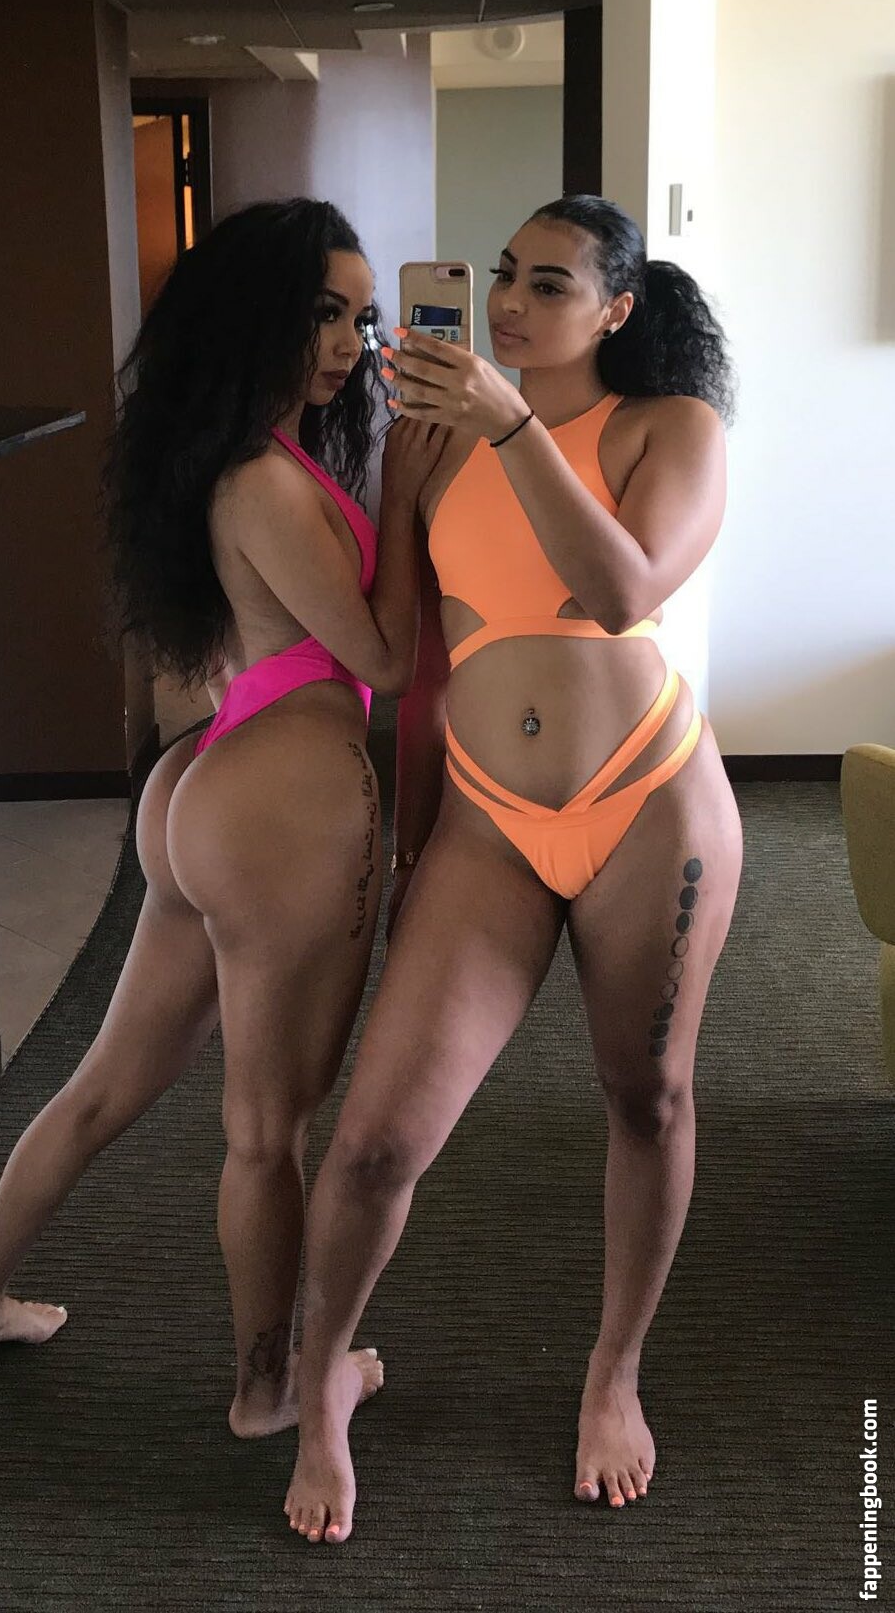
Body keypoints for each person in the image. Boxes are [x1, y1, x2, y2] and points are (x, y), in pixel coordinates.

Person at [0, 198, 444, 1444]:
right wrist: (405, 498)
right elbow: (380, 656)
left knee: (105, 1087)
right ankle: (267, 1391)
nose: (348, 342)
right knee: (268, 1132)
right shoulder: (263, 478)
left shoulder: (254, 456)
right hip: (277, 804)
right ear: (256, 316)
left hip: (217, 787)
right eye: (321, 312)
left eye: (361, 316)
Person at [284, 194, 744, 1540]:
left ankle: (613, 1370)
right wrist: (413, 827)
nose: (507, 302)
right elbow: (416, 656)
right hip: (486, 818)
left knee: (646, 1096)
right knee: (373, 1141)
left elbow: (622, 590)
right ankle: (322, 1385)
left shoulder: (670, 428)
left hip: (647, 801)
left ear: (616, 309)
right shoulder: (426, 440)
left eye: (549, 284)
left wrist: (511, 424)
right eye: (502, 275)